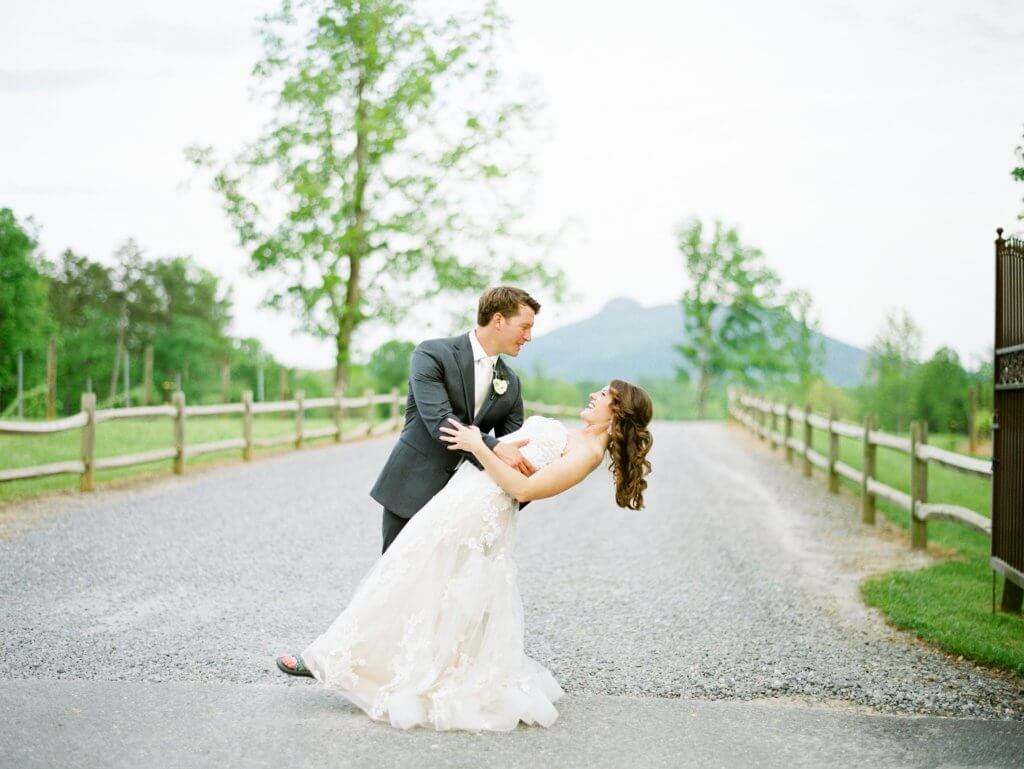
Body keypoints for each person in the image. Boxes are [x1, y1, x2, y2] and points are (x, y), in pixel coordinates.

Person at [275, 311, 654, 734]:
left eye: (604, 394)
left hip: (476, 511)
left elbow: (523, 489)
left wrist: (479, 443)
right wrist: (488, 450)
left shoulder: (586, 454)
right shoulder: (578, 438)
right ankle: (360, 661)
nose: (594, 395)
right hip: (461, 497)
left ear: (617, 411)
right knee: (410, 579)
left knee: (411, 580)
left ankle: (330, 659)